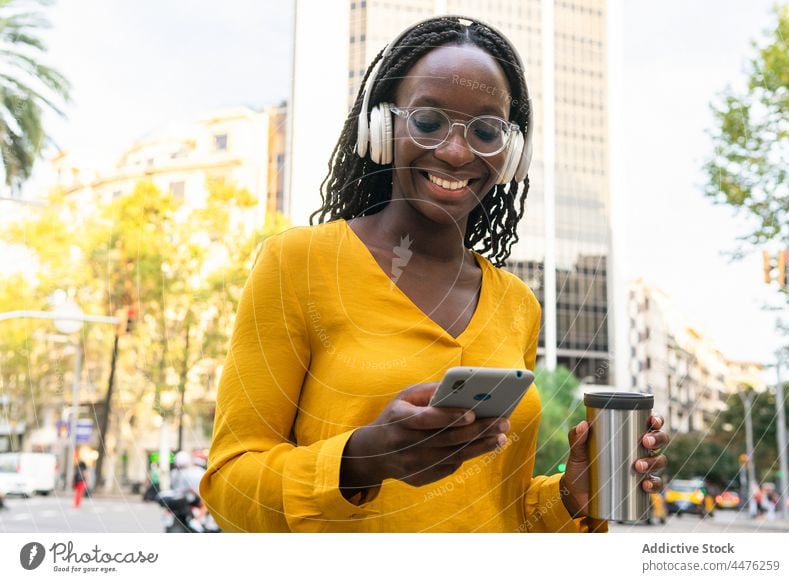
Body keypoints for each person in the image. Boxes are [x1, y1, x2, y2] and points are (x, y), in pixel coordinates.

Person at [199, 15, 669, 532]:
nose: (456, 152)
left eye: (487, 131)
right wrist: (361, 461)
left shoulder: (517, 304)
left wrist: (572, 497)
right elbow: (228, 486)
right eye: (427, 122)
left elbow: (500, 513)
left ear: (510, 152)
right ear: (380, 127)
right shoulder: (298, 263)